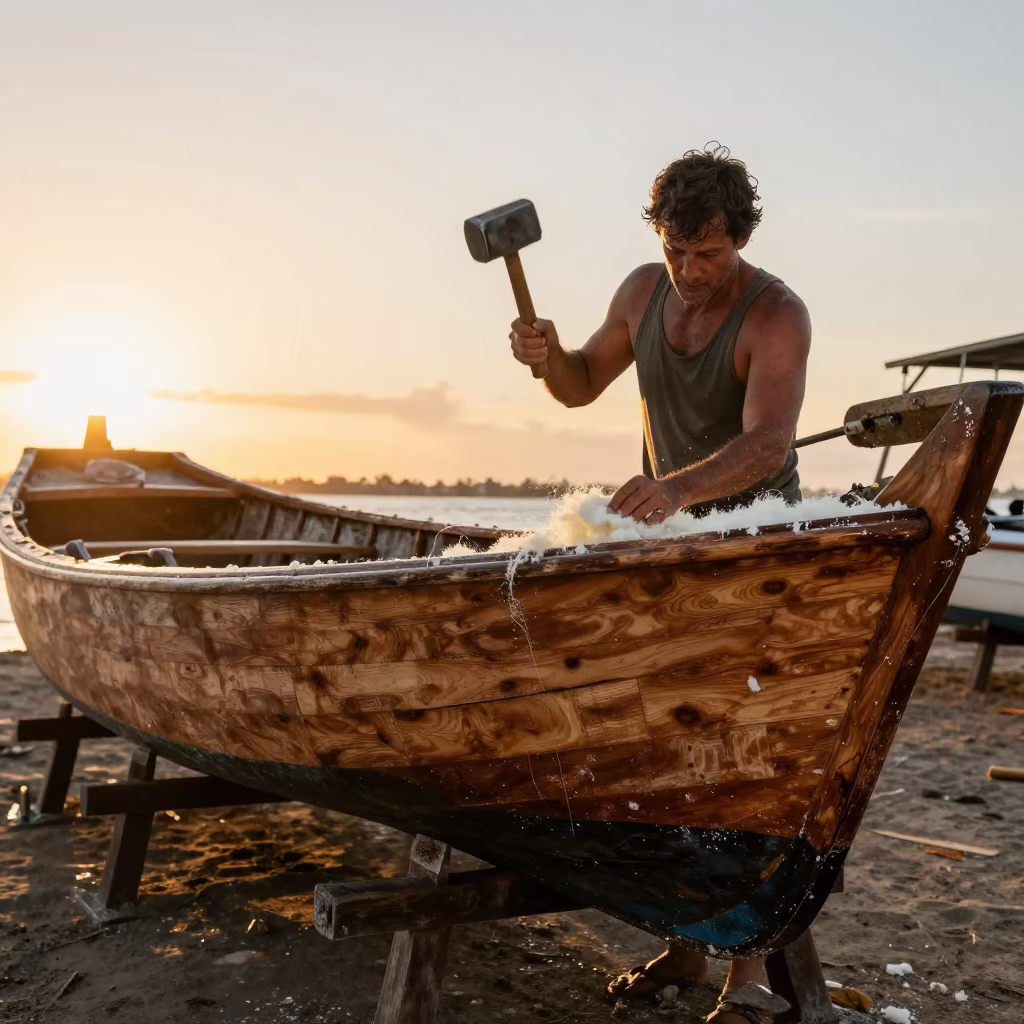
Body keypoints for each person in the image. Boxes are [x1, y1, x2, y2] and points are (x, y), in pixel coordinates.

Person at [509, 144, 811, 1024]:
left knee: (747, 754)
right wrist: (547, 352)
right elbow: (576, 387)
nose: (689, 272)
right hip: (664, 546)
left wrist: (677, 485)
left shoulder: (776, 315)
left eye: (707, 255)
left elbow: (770, 445)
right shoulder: (643, 289)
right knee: (664, 742)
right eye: (677, 251)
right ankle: (681, 948)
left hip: (754, 549)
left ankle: (747, 977)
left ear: (740, 240)